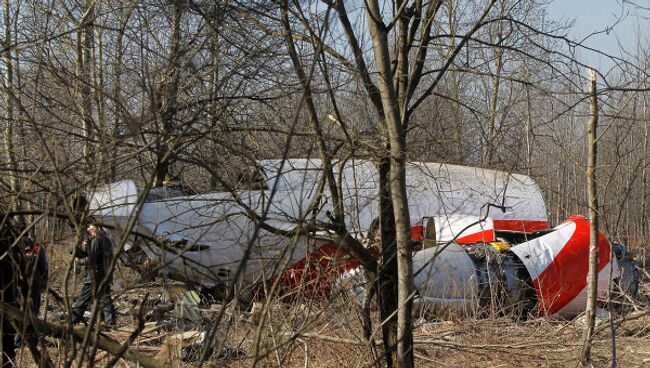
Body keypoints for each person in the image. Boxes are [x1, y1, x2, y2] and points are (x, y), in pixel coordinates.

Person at [70, 223, 116, 327]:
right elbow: (98, 256)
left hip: (93, 275)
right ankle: (111, 323)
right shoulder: (107, 239)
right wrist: (88, 246)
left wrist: (79, 261)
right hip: (104, 273)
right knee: (105, 299)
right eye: (88, 228)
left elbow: (91, 259)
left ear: (99, 228)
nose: (89, 230)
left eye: (92, 228)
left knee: (83, 299)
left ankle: (72, 321)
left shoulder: (97, 240)